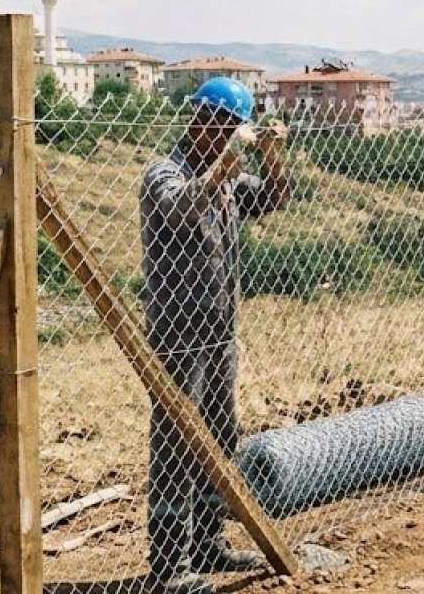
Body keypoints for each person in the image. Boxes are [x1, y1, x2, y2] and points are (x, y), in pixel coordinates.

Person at [139, 77, 291, 593]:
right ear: (197, 119)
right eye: (219, 126)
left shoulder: (224, 177)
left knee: (220, 436)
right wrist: (218, 172)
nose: (225, 137)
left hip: (219, 328)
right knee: (178, 440)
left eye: (232, 129)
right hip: (178, 331)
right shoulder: (164, 173)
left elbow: (274, 199)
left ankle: (206, 543)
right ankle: (170, 566)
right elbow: (180, 210)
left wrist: (271, 156)